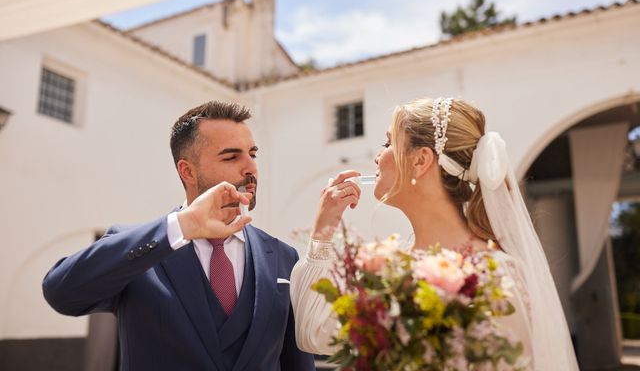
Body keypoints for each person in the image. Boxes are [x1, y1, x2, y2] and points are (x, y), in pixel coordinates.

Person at [290, 97, 579, 370]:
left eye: (388, 143)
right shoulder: (389, 267)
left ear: (420, 160)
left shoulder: (494, 276)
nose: (377, 157)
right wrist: (323, 229)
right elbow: (314, 335)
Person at [43, 101, 315, 371]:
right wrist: (182, 226)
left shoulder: (282, 255)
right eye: (231, 157)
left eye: (252, 154)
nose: (250, 168)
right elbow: (61, 292)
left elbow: (297, 362)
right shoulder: (138, 249)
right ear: (188, 171)